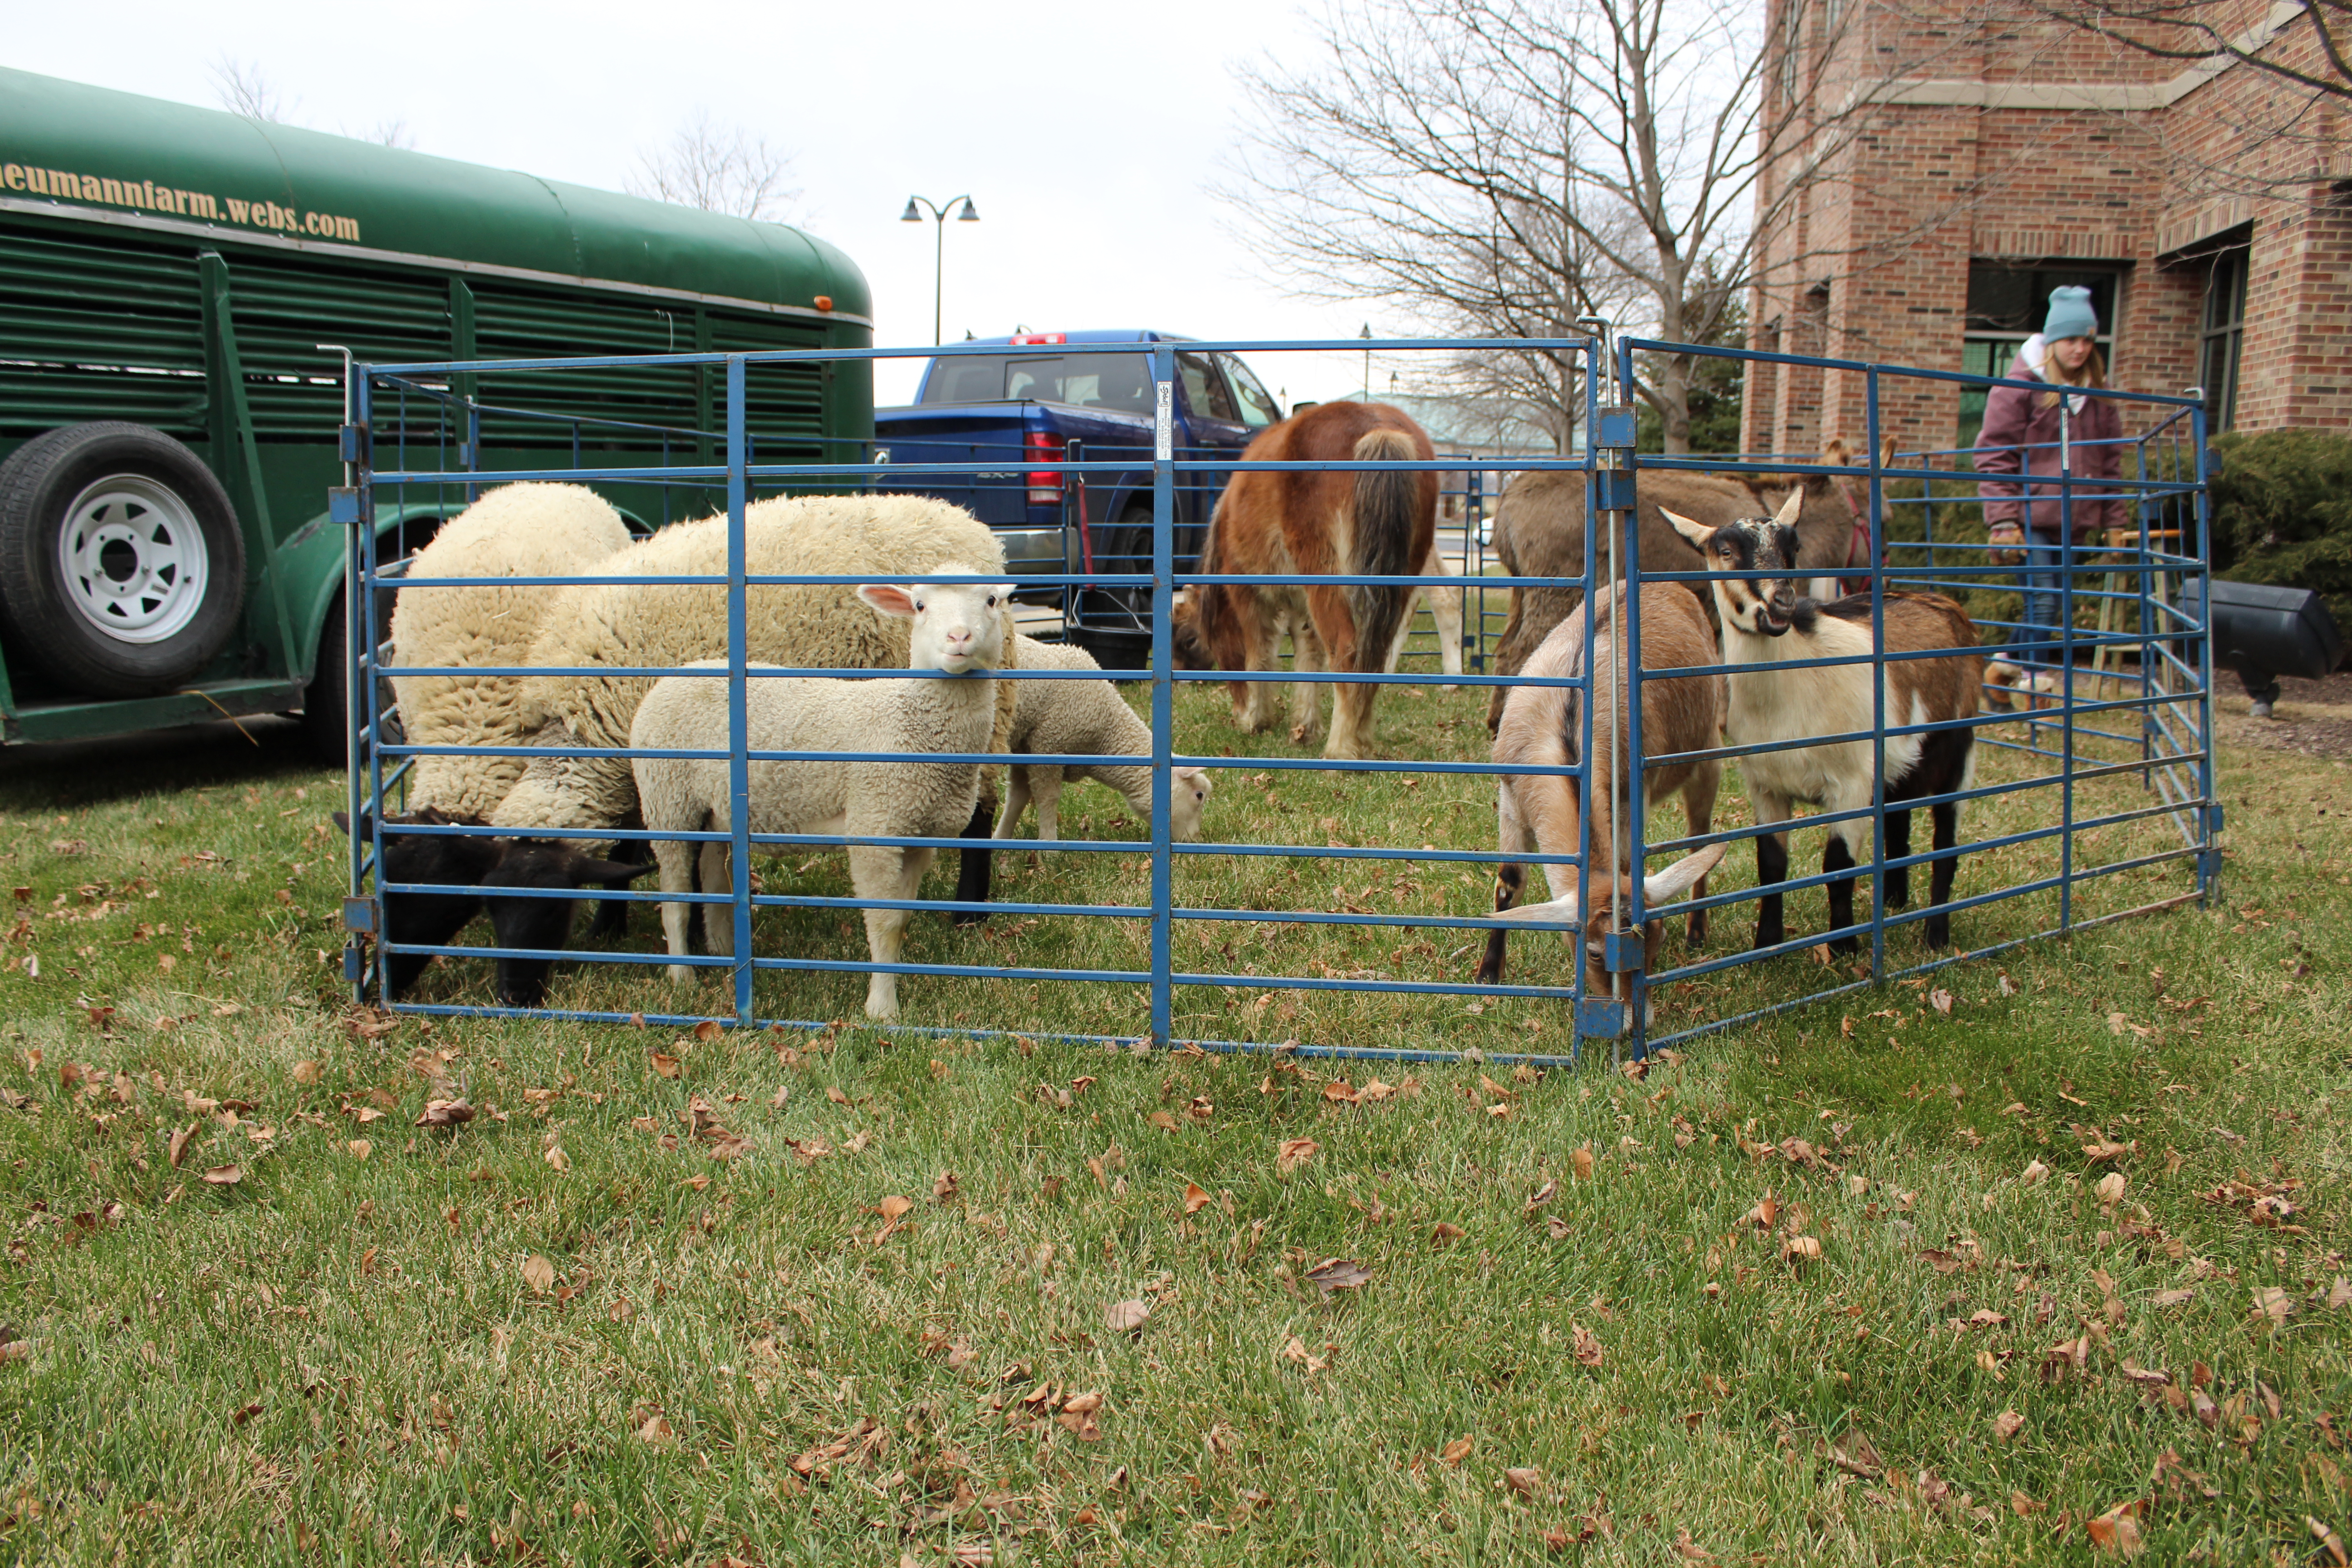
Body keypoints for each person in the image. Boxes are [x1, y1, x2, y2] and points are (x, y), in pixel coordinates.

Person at [1975, 286, 2126, 703]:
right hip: (2028, 517)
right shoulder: (2021, 386)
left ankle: (2000, 668)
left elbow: (2110, 460)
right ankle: (2035, 684)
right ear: (2052, 340)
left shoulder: (2099, 393)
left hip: (2076, 518)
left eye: (2087, 340)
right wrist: (2003, 520)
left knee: (2048, 602)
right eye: (2070, 339)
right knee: (2044, 599)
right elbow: (1993, 455)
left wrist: (2115, 522)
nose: (2079, 349)